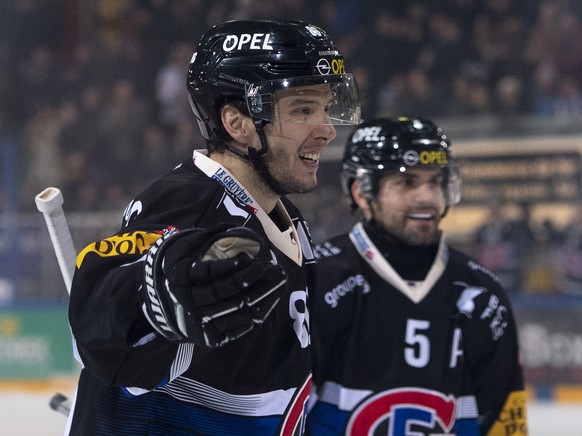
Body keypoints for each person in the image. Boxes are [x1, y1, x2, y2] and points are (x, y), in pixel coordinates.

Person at [66, 19, 361, 435]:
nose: (327, 130)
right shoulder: (190, 206)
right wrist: (152, 299)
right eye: (302, 110)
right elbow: (102, 328)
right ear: (238, 123)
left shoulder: (280, 213)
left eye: (326, 107)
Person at [307, 117, 527, 435]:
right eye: (407, 182)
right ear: (361, 192)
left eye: (435, 182)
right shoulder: (320, 280)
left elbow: (506, 421)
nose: (426, 197)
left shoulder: (481, 295)